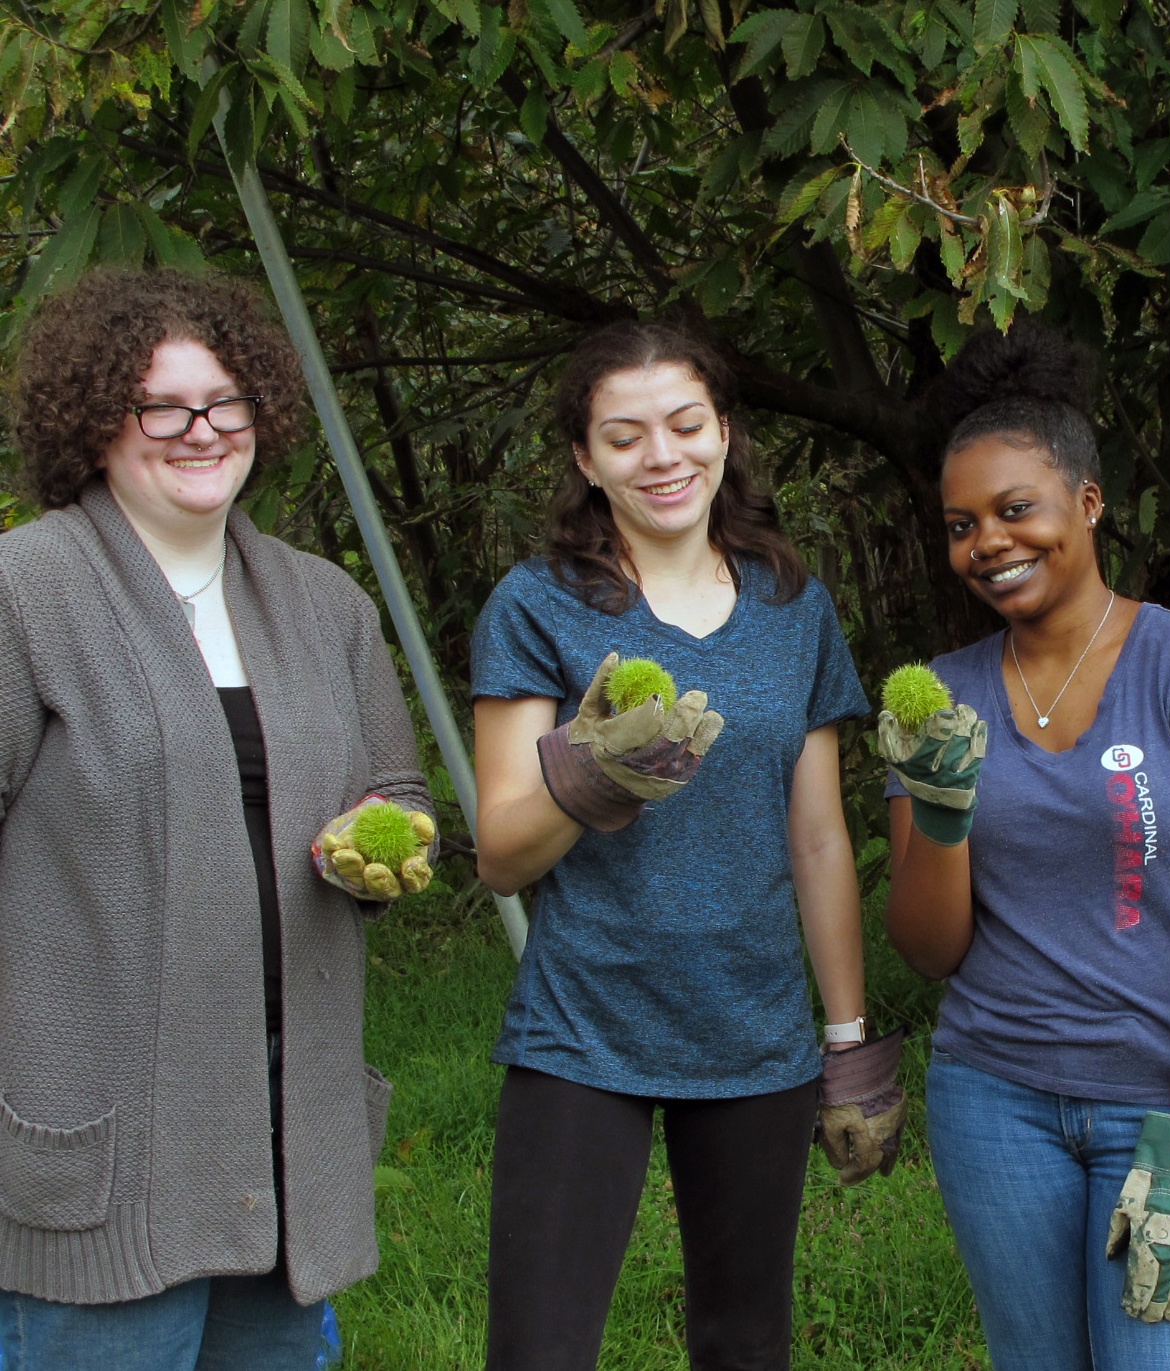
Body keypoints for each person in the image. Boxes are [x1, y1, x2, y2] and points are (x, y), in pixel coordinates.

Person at [0, 267, 433, 1369]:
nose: (200, 430)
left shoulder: (324, 602)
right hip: (110, 1139)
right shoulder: (27, 591)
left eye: (223, 402)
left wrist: (381, 846)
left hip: (285, 1126)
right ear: (95, 421)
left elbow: (401, 797)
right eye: (162, 406)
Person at [470, 320, 895, 1371]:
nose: (661, 457)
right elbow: (501, 857)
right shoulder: (535, 606)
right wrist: (585, 774)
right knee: (539, 1349)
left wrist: (845, 1039)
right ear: (584, 460)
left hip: (753, 1031)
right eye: (623, 437)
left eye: (683, 424)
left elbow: (817, 838)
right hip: (584, 1027)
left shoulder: (792, 606)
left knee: (744, 1342)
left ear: (723, 433)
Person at [880, 324, 1170, 1371]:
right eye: (961, 524)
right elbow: (928, 950)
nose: (988, 543)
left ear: (1089, 504)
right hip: (994, 1100)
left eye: (1016, 510)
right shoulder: (946, 691)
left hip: (1167, 1095)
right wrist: (938, 814)